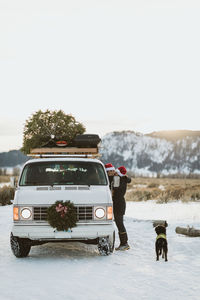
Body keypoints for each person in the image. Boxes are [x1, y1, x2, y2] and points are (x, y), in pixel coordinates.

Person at [113, 166, 131, 251]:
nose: (114, 173)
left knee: (119, 223)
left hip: (119, 204)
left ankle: (124, 243)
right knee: (119, 223)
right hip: (119, 204)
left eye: (116, 172)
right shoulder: (122, 179)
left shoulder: (119, 180)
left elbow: (116, 190)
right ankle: (124, 243)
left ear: (119, 173)